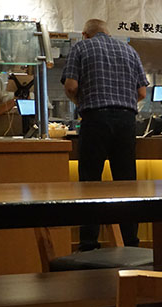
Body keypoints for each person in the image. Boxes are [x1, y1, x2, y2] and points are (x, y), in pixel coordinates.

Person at [61, 19, 149, 251]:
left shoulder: (81, 47)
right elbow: (142, 92)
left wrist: (81, 102)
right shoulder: (129, 50)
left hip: (95, 119)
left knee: (90, 184)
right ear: (107, 33)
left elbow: (71, 86)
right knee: (127, 184)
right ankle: (130, 243)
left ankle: (89, 244)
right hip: (126, 122)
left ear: (85, 34)